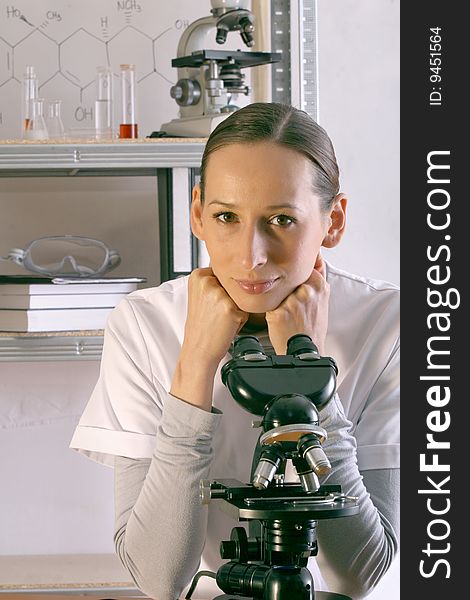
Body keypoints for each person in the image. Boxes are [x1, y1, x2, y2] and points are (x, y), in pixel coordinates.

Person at [70, 102, 399, 600]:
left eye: (282, 220)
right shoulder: (143, 324)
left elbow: (357, 573)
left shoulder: (389, 325)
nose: (252, 256)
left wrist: (309, 377)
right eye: (227, 216)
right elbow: (159, 578)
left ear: (334, 221)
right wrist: (195, 366)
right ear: (198, 213)